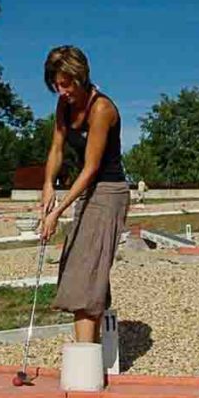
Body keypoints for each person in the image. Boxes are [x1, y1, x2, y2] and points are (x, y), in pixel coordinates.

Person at [38, 45, 130, 344]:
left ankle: (85, 359)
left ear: (80, 76)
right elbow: (56, 148)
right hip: (88, 191)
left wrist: (57, 212)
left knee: (85, 271)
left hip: (109, 191)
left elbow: (91, 168)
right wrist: (48, 184)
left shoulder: (101, 109)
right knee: (78, 264)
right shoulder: (64, 106)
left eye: (65, 83)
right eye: (55, 84)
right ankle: (97, 350)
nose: (60, 90)